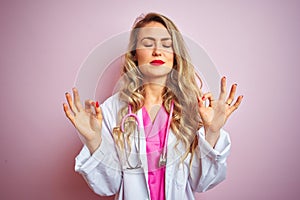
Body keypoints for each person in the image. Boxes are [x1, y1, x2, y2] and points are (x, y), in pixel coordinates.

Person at [63, 12, 243, 200]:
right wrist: (94, 141)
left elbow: (202, 183)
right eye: (148, 44)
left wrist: (212, 131)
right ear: (135, 55)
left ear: (175, 55)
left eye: (167, 44)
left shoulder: (193, 108)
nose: (158, 51)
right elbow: (109, 186)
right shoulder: (112, 110)